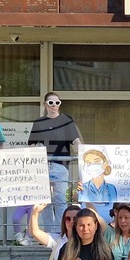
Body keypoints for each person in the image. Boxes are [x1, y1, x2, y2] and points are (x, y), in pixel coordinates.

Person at [28, 92, 82, 235]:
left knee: (59, 199)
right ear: (45, 104)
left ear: (60, 104)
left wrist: (84, 155)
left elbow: (76, 141)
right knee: (45, 201)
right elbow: (32, 145)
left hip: (61, 165)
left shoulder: (66, 120)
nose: (54, 106)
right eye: (51, 103)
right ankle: (48, 232)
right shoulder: (39, 123)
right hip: (43, 166)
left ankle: (61, 232)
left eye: (57, 103)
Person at [78, 148, 117, 222]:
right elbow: (76, 197)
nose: (92, 165)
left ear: (105, 164)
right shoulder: (84, 187)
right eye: (88, 163)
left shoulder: (112, 188)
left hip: (109, 225)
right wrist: (78, 194)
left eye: (96, 161)